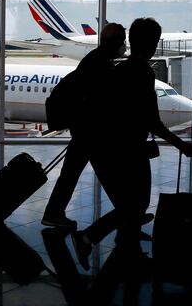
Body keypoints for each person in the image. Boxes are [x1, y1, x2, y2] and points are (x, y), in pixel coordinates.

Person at [71, 17, 192, 267]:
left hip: (114, 147)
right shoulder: (142, 72)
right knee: (134, 205)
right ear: (152, 44)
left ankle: (125, 244)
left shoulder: (120, 70)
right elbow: (153, 121)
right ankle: (88, 237)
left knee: (132, 204)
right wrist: (181, 145)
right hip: (128, 149)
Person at [42, 23, 128, 230]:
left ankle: (53, 213)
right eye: (122, 40)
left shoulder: (95, 59)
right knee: (108, 175)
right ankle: (128, 214)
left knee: (74, 174)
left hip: (85, 129)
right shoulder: (101, 64)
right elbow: (99, 100)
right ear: (114, 41)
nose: (124, 45)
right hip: (90, 131)